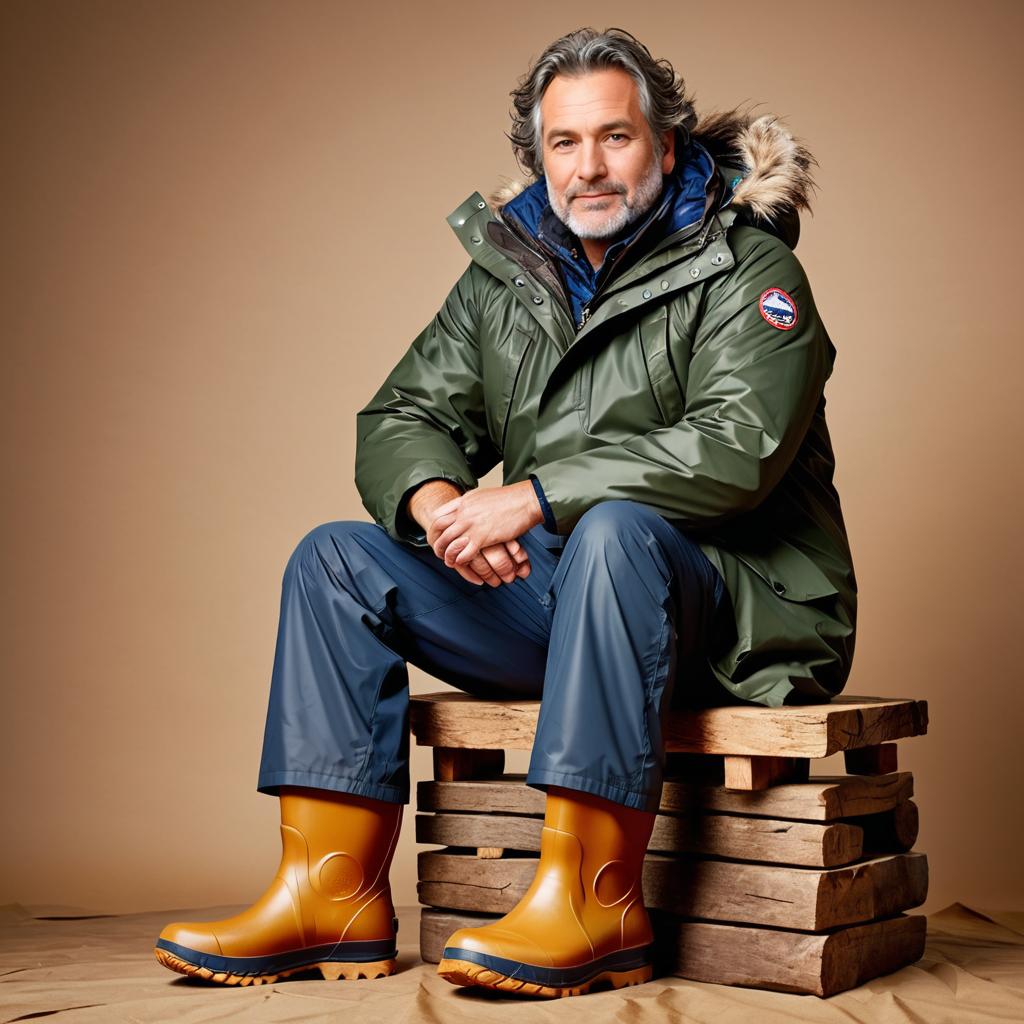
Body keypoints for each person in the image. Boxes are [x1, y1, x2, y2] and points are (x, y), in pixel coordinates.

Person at [154, 26, 856, 998]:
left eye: (615, 136)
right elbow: (405, 413)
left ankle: (595, 902)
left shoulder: (749, 271)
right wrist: (439, 502)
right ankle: (331, 895)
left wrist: (531, 497)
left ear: (665, 142)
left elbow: (735, 449)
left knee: (612, 531)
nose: (590, 166)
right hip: (572, 604)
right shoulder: (509, 277)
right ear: (538, 156)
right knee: (336, 559)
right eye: (565, 143)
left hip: (736, 616)